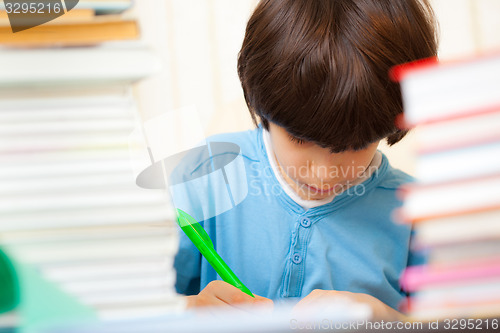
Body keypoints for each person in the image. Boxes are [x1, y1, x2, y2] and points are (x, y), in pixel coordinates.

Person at [173, 0, 438, 320]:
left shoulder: (420, 216)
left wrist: (387, 320)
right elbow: (134, 306)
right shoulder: (207, 174)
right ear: (262, 105)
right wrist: (186, 312)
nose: (324, 174)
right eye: (300, 139)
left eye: (353, 145)